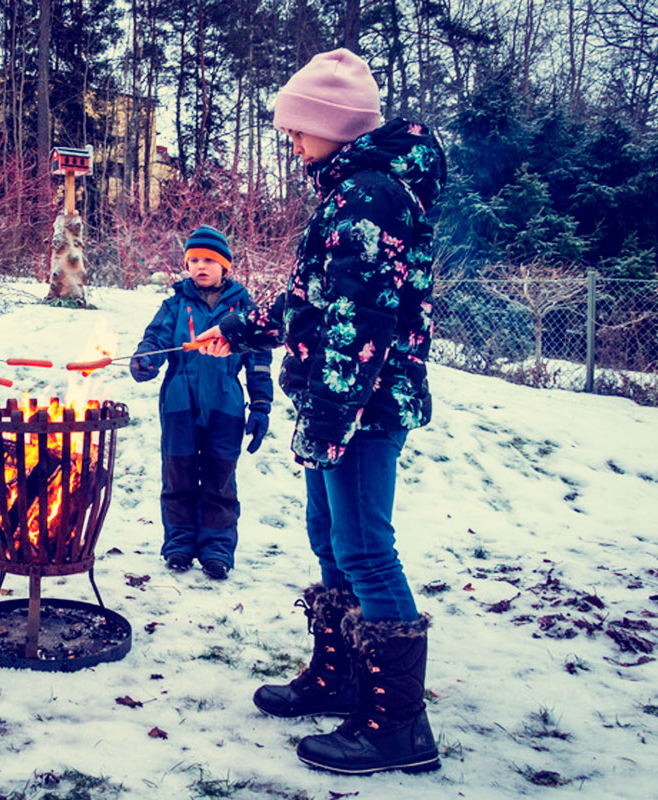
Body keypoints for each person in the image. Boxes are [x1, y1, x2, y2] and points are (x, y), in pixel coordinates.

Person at [197, 49, 446, 774]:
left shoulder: (370, 194)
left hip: (360, 403)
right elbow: (315, 300)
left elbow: (363, 320)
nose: (291, 139)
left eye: (299, 126)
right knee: (330, 539)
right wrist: (241, 328)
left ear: (333, 124)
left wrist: (332, 420)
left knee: (365, 546)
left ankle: (399, 726)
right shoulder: (344, 190)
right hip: (333, 397)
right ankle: (343, 676)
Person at [129, 225, 273, 581]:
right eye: (193, 260)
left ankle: (217, 548)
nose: (200, 266)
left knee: (219, 478)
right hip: (179, 403)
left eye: (209, 260)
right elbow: (156, 339)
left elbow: (258, 360)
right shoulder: (175, 304)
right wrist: (145, 359)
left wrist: (260, 406)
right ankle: (178, 543)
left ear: (225, 266)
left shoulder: (244, 308)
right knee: (177, 475)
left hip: (225, 405)